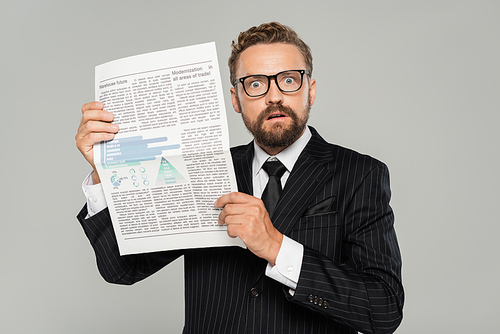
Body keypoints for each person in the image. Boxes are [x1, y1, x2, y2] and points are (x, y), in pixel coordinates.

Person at [75, 22, 404, 334]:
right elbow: (123, 269)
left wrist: (276, 247)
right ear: (235, 99)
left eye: (288, 80)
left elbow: (384, 308)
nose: (274, 96)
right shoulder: (203, 170)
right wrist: (104, 174)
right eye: (256, 84)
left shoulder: (361, 175)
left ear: (310, 90)